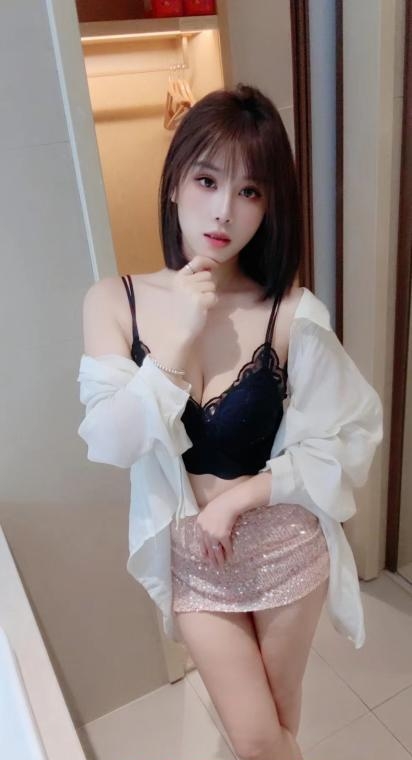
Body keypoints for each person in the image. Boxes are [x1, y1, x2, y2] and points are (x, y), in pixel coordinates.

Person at [77, 84, 384, 760]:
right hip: (197, 562)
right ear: (174, 184)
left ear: (269, 207)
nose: (224, 210)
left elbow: (351, 434)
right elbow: (114, 441)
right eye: (207, 180)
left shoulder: (292, 312)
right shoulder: (115, 302)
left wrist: (240, 499)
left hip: (284, 547)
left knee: (276, 727)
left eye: (249, 191)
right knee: (257, 738)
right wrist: (179, 335)